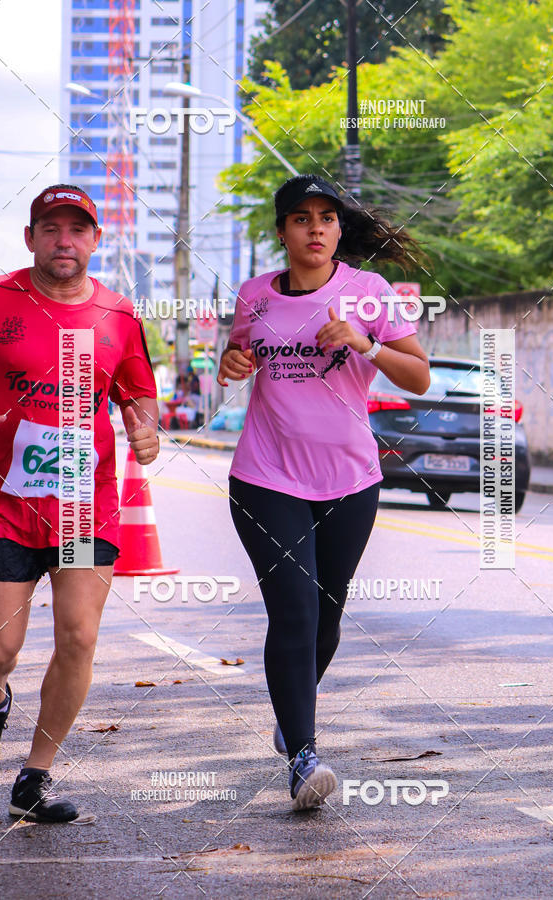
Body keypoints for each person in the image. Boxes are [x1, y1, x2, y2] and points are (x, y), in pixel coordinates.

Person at [217, 174, 430, 811]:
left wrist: (364, 342)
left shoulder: (369, 293)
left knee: (327, 617)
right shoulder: (255, 296)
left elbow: (418, 376)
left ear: (339, 229)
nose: (316, 229)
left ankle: (293, 705)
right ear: (281, 231)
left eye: (327, 218)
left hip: (350, 480)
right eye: (302, 218)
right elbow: (239, 356)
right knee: (296, 613)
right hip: (265, 476)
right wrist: (232, 363)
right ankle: (304, 757)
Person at [0, 184, 159, 822]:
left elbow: (138, 394)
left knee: (79, 636)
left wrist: (145, 428)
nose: (65, 241)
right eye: (51, 229)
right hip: (1, 499)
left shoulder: (117, 313)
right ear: (30, 237)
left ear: (94, 239)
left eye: (78, 230)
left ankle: (35, 778)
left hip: (81, 505)